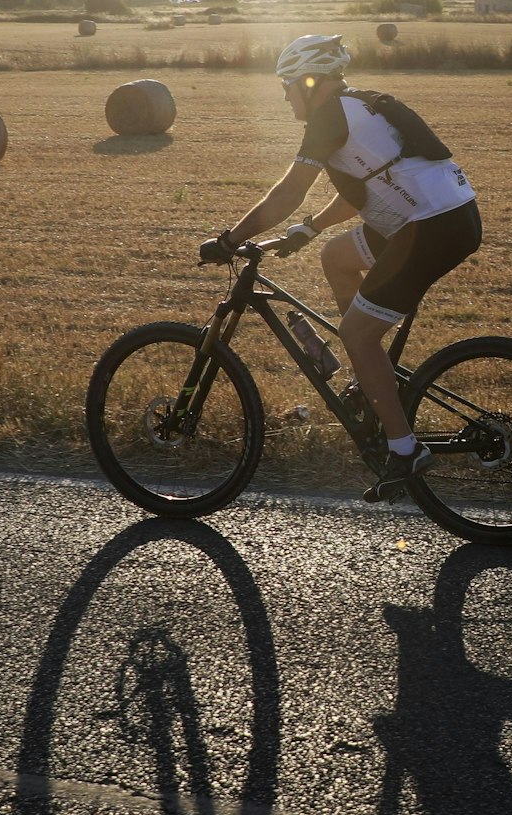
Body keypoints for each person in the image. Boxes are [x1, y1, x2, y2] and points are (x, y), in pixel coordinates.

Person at [201, 33, 482, 501]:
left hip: (433, 227)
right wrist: (309, 230)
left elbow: (287, 193)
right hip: (435, 217)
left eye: (287, 85)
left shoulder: (330, 116)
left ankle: (404, 450)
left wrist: (230, 239)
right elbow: (358, 195)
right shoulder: (356, 106)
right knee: (336, 257)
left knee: (357, 333)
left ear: (309, 82)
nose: (285, 96)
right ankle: (371, 377)